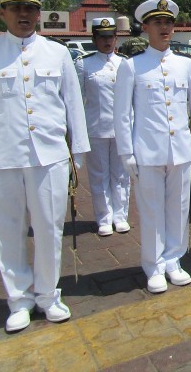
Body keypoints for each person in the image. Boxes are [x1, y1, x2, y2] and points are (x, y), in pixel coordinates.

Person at [0, 0, 90, 332]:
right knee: (7, 229)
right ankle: (19, 299)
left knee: (50, 228)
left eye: (30, 9)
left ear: (39, 14)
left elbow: (73, 104)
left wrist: (77, 151)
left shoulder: (57, 53)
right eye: (16, 9)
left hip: (49, 156)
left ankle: (49, 294)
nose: (24, 15)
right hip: (2, 157)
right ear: (3, 12)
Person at [113, 0, 191, 294]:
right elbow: (123, 114)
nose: (164, 28)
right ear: (145, 28)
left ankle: (173, 260)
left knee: (178, 208)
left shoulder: (185, 64)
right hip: (147, 151)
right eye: (158, 23)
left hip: (180, 149)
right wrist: (126, 152)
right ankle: (153, 265)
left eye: (168, 23)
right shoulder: (132, 66)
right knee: (152, 210)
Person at [75, 17, 131, 237]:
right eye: (102, 37)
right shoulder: (84, 63)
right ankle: (104, 218)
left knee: (121, 175)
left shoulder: (124, 63)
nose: (107, 41)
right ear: (94, 39)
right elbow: (78, 99)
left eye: (111, 37)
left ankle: (120, 215)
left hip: (121, 129)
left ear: (116, 38)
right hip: (96, 128)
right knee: (99, 176)